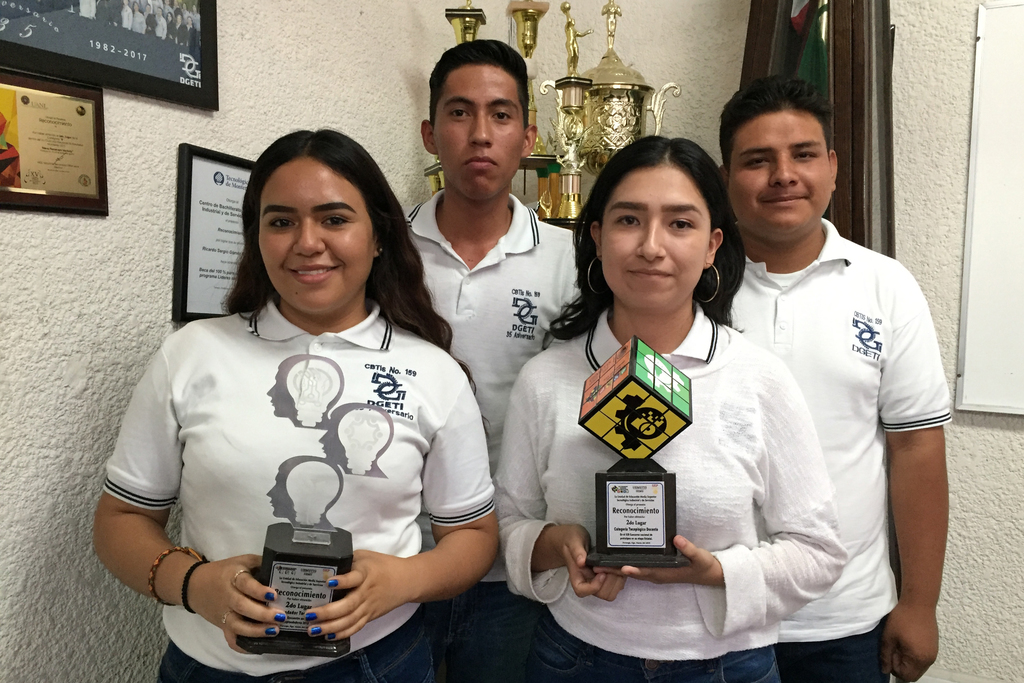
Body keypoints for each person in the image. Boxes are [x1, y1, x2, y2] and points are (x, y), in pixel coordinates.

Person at [93, 129, 499, 681]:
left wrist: (401, 581)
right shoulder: (191, 354)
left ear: (379, 236)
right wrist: (192, 584)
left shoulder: (434, 372)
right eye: (281, 222)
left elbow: (474, 537)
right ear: (256, 237)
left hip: (377, 663)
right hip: (211, 668)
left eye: (335, 219)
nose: (307, 242)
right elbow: (122, 519)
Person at [496, 135, 847, 683]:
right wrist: (556, 544)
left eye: (680, 224)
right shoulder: (545, 379)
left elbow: (819, 552)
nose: (651, 246)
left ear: (711, 247)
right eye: (628, 220)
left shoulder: (758, 379)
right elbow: (508, 525)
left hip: (726, 665)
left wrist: (717, 572)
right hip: (575, 659)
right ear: (597, 237)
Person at [720, 76, 950, 683]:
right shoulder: (690, 285)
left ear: (833, 167)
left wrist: (920, 603)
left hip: (845, 621)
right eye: (757, 160)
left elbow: (916, 449)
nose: (783, 175)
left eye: (803, 154)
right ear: (725, 178)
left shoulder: (885, 286)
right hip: (711, 612)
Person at [409, 39, 577, 683]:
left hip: (515, 564)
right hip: (402, 555)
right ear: (430, 133)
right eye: (459, 112)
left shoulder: (570, 262)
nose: (480, 134)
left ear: (528, 136)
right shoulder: (383, 252)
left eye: (501, 115)